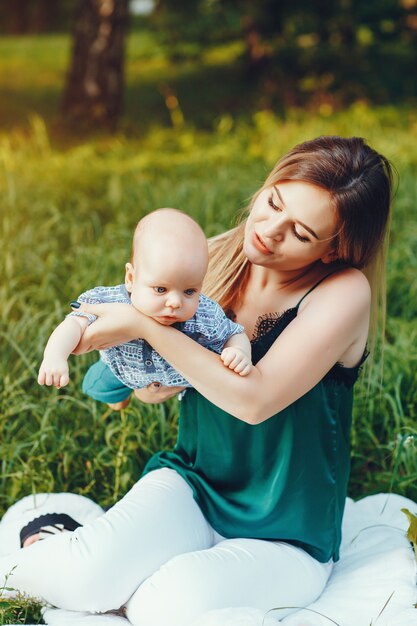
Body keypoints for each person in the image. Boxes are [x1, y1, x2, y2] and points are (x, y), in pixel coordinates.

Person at [0, 136, 393, 626]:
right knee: (78, 579)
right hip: (194, 484)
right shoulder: (213, 259)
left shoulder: (342, 292)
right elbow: (134, 368)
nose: (268, 231)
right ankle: (60, 534)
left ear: (335, 249)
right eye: (272, 202)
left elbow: (254, 401)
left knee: (166, 606)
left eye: (300, 232)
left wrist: (143, 325)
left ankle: (135, 570)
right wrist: (136, 381)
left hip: (286, 533)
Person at [37, 209, 252, 410]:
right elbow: (74, 322)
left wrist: (238, 351)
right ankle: (118, 398)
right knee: (96, 385)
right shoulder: (109, 301)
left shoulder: (205, 313)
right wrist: (55, 355)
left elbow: (234, 333)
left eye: (189, 291)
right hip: (123, 368)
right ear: (131, 279)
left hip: (179, 379)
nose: (175, 302)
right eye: (161, 289)